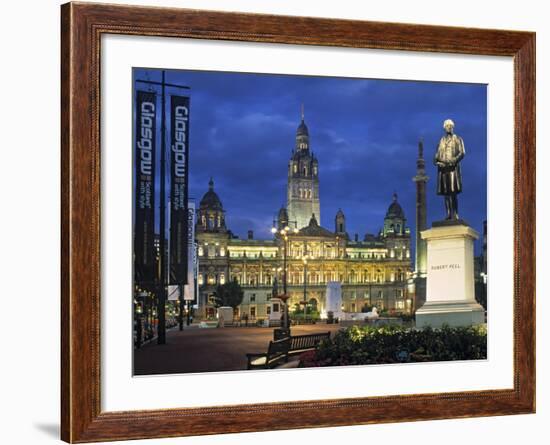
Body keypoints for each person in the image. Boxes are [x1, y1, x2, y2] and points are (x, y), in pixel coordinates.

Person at [434, 119, 465, 220]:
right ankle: (448, 214)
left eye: (450, 126)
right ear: (444, 128)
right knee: (446, 193)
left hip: (452, 168)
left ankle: (455, 213)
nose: (449, 127)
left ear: (453, 127)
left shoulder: (457, 139)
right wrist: (439, 162)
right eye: (447, 126)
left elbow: (462, 152)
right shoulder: (441, 141)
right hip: (443, 170)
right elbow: (436, 157)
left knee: (453, 191)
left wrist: (454, 160)